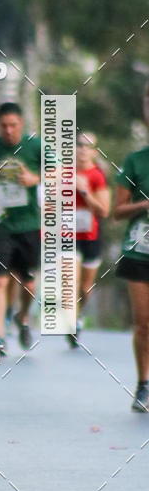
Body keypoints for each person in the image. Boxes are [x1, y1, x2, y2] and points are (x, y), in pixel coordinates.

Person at [0, 102, 41, 354]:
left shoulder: (35, 146)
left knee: (29, 284)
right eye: (4, 126)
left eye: (13, 125)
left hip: (28, 224)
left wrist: (35, 178)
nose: (8, 130)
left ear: (21, 125)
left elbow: (57, 171)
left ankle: (22, 318)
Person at [113, 89, 149, 411]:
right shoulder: (135, 160)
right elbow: (116, 210)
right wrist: (144, 204)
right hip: (140, 250)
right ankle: (143, 385)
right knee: (143, 321)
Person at [68, 131, 110, 347]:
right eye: (79, 145)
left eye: (87, 146)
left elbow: (104, 211)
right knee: (71, 280)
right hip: (69, 234)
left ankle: (79, 316)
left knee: (85, 287)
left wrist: (85, 192)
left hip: (92, 236)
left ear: (94, 151)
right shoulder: (65, 172)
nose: (83, 149)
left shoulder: (98, 176)